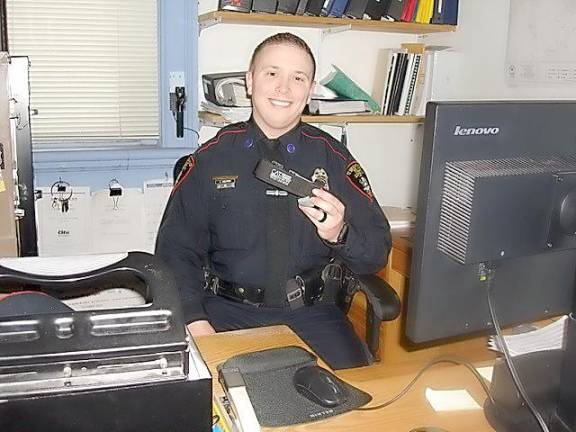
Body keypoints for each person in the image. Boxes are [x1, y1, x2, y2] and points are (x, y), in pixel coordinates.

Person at [156, 32, 391, 369]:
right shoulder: (210, 160)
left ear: (309, 91)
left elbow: (376, 253)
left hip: (315, 317)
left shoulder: (335, 160)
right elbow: (175, 251)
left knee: (359, 407)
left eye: (298, 78)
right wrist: (195, 321)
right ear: (250, 82)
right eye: (271, 73)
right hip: (225, 315)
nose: (284, 88)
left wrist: (340, 233)